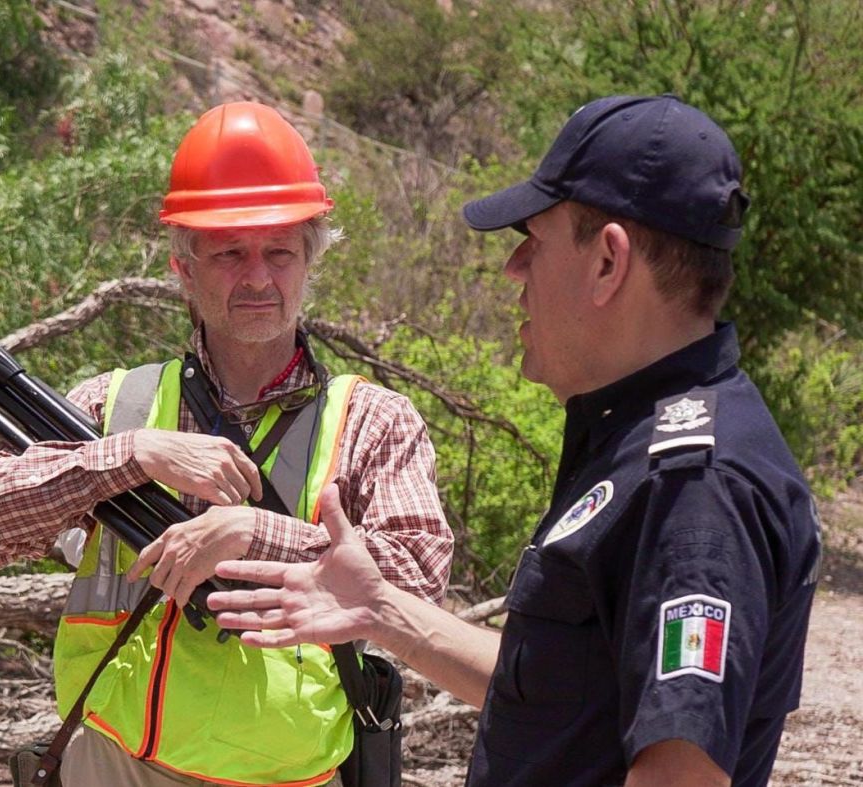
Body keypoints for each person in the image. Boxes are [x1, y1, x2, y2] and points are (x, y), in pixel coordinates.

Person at [208, 94, 823, 787]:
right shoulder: (641, 441)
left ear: (607, 263)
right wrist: (384, 611)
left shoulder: (696, 485)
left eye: (534, 240)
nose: (514, 269)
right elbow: (572, 697)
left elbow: (681, 776)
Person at [0, 101, 453, 787]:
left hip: (286, 778)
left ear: (310, 260)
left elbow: (417, 579)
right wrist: (127, 457)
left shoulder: (373, 420)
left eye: (279, 251)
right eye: (230, 252)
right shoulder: (119, 406)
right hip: (112, 762)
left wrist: (253, 535)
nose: (259, 278)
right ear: (185, 268)